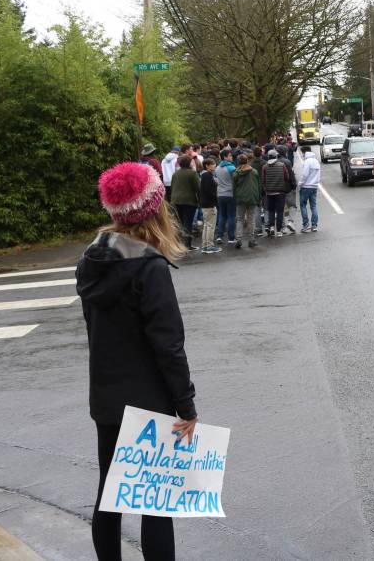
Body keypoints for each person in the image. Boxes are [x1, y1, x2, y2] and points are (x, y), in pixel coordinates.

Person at [76, 162, 197, 561]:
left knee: (109, 498)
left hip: (107, 401)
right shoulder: (150, 268)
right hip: (150, 404)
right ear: (154, 210)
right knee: (155, 505)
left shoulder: (90, 262)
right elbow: (169, 348)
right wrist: (187, 407)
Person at [169, 156, 200, 249]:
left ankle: (181, 243)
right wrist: (200, 200)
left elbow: (172, 187)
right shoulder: (192, 173)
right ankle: (187, 244)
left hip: (176, 200)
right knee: (188, 223)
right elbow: (198, 188)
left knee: (181, 222)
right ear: (189, 163)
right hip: (189, 201)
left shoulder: (175, 174)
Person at [233, 154, 261, 248]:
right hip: (252, 197)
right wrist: (258, 198)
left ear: (238, 162)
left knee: (240, 219)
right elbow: (258, 186)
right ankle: (251, 239)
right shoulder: (254, 172)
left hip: (240, 198)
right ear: (247, 161)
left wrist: (235, 197)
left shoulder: (236, 173)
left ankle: (239, 239)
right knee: (251, 219)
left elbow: (234, 187)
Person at [262, 149, 290, 236]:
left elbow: (263, 180)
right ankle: (278, 230)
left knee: (271, 210)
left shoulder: (265, 167)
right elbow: (287, 177)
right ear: (276, 156)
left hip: (269, 192)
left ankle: (271, 227)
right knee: (280, 211)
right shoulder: (282, 165)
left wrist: (266, 188)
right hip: (280, 191)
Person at [214, 150, 237, 245]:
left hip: (220, 194)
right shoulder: (232, 168)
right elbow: (236, 179)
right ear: (225, 157)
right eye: (230, 156)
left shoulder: (217, 168)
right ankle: (231, 237)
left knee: (222, 215)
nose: (231, 157)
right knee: (231, 215)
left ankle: (219, 236)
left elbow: (215, 180)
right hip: (230, 194)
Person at [199, 157, 220, 254]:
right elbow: (209, 191)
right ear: (207, 166)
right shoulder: (207, 175)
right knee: (211, 225)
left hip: (204, 203)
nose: (214, 165)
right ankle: (209, 245)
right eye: (212, 164)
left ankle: (205, 245)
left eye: (214, 164)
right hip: (209, 204)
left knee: (206, 225)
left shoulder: (205, 175)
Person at [299, 146, 321, 232]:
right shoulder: (316, 161)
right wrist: (316, 183)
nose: (302, 155)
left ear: (305, 152)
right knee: (313, 206)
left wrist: (300, 184)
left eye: (302, 153)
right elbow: (319, 175)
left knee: (303, 205)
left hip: (306, 187)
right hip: (314, 186)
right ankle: (314, 225)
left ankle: (305, 225)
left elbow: (305, 175)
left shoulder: (307, 162)